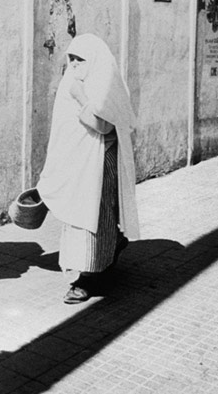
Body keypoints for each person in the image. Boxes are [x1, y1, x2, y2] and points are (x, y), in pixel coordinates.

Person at [36, 33, 139, 304]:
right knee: (78, 217)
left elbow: (104, 126)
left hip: (100, 159)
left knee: (95, 217)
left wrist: (81, 97)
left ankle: (91, 276)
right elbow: (63, 128)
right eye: (70, 58)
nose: (74, 64)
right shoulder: (71, 80)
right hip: (78, 162)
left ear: (94, 59)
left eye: (80, 59)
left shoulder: (105, 81)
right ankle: (108, 250)